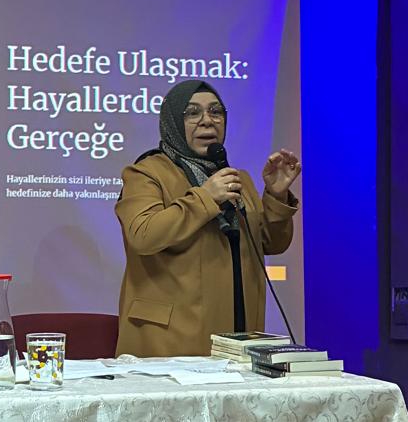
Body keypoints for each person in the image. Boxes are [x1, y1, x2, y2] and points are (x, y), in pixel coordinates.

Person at [115, 79, 300, 357]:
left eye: (216, 112)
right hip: (169, 342)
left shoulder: (236, 179)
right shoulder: (146, 173)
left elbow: (271, 243)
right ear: (172, 122)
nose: (207, 121)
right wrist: (206, 198)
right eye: (192, 113)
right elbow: (142, 235)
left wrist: (276, 196)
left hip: (239, 338)